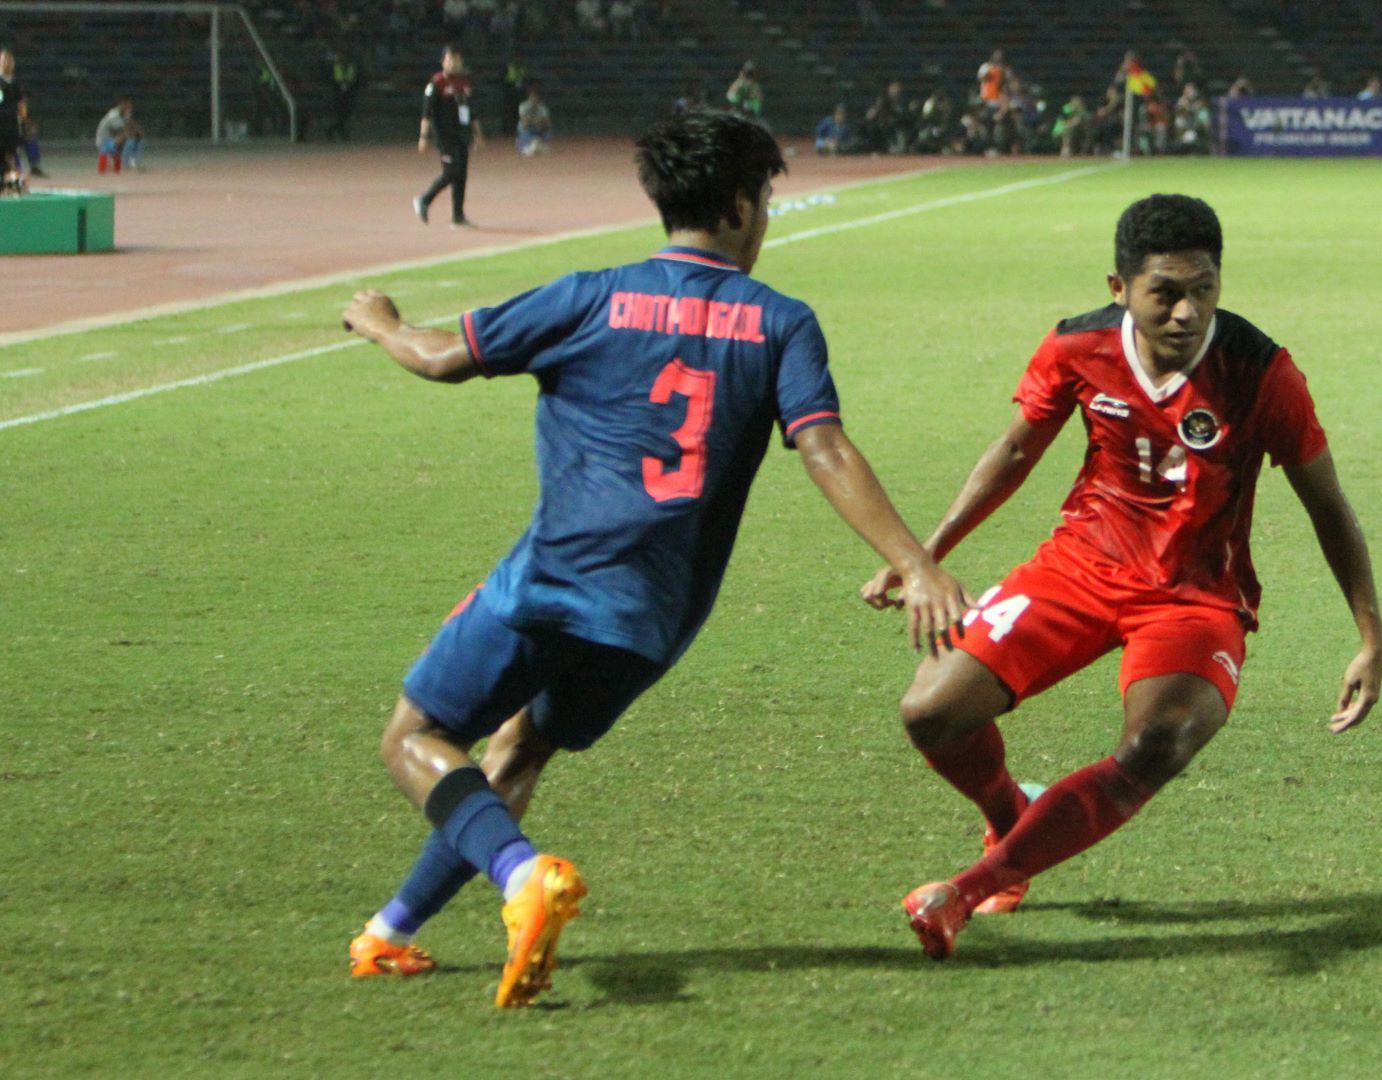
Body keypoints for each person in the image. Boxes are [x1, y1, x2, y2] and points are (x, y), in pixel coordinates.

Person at [340, 109, 972, 1006]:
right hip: (654, 619)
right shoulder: (781, 321)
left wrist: (379, 320)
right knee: (517, 751)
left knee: (413, 737)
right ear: (747, 205)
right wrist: (914, 562)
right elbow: (824, 447)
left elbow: (441, 359)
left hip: (553, 580)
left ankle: (523, 878)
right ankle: (389, 933)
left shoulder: (589, 295)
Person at [867, 194, 1382, 960]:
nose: (1186, 312)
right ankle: (1012, 810)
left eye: (1203, 289)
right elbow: (1015, 452)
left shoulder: (1260, 370)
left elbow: (1328, 505)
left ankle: (968, 892)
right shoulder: (1076, 347)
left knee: (1157, 741)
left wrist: (1371, 636)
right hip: (1080, 567)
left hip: (1197, 595)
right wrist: (924, 556)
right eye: (1165, 293)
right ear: (1120, 288)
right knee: (931, 711)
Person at [415, 45, 483, 229]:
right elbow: (426, 113)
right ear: (443, 61)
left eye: (457, 59)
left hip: (462, 135)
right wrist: (424, 136)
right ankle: (424, 199)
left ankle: (458, 216)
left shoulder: (464, 84)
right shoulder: (437, 84)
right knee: (451, 171)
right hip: (446, 137)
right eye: (450, 59)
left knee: (461, 175)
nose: (454, 63)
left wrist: (477, 133)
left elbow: (471, 111)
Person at [95, 96, 143, 173]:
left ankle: (133, 162)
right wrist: (133, 130)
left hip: (114, 140)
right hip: (104, 142)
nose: (130, 108)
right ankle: (125, 164)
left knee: (138, 138)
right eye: (128, 106)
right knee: (130, 137)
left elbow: (136, 129)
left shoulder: (123, 114)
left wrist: (137, 131)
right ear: (122, 105)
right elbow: (124, 129)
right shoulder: (114, 115)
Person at [0, 48, 22, 193]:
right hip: (12, 123)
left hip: (1, 123)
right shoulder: (15, 82)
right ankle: (15, 185)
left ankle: (4, 185)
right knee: (11, 157)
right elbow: (21, 105)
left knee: (2, 158)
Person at [516, 85, 553, 155]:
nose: (534, 99)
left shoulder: (542, 108)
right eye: (532, 97)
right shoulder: (523, 106)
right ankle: (525, 145)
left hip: (539, 129)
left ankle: (539, 145)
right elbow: (525, 122)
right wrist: (536, 121)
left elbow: (548, 123)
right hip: (527, 129)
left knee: (548, 131)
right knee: (522, 128)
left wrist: (540, 123)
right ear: (529, 98)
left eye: (536, 97)